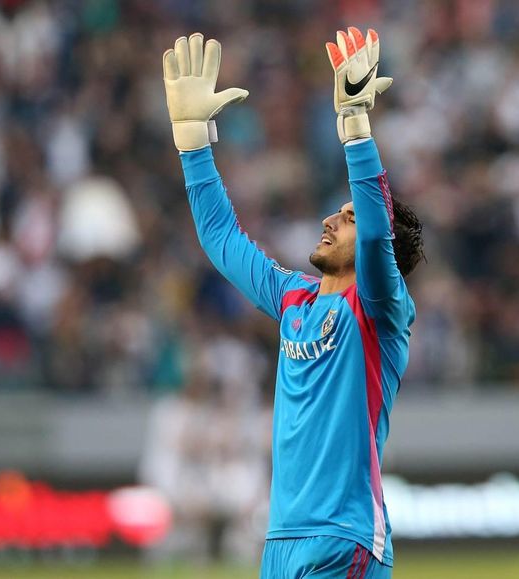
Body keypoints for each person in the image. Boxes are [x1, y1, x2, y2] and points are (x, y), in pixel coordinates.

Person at [162, 27, 423, 578]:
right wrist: (192, 142)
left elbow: (377, 235)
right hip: (280, 540)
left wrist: (353, 126)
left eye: (347, 216)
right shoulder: (295, 298)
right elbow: (223, 240)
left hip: (344, 538)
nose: (331, 219)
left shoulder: (380, 308)